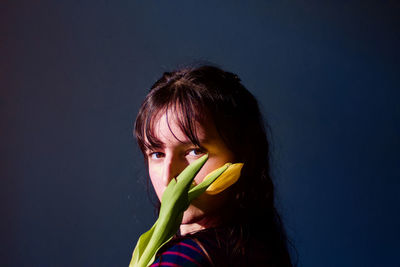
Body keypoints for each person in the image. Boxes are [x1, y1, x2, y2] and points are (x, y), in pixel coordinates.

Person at [133, 65, 294, 266]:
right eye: (157, 154)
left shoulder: (182, 260)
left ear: (243, 153)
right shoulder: (259, 248)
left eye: (194, 151)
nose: (168, 177)